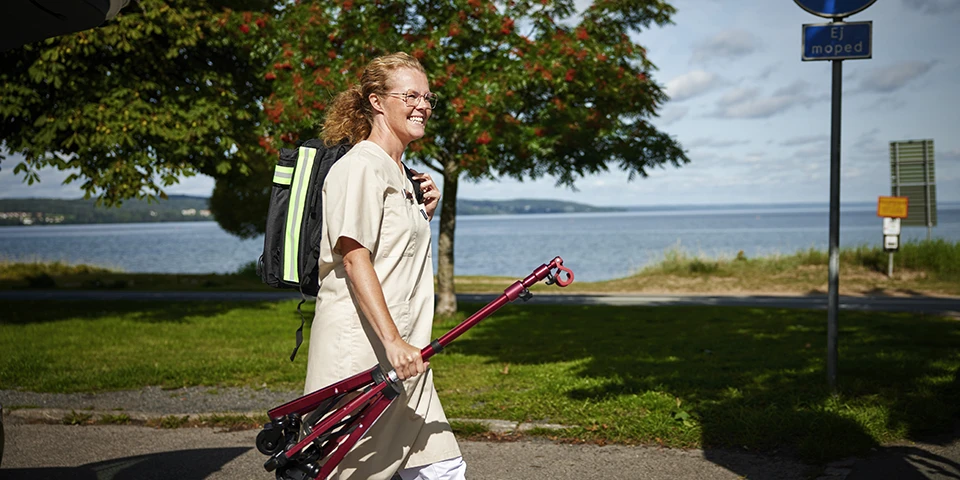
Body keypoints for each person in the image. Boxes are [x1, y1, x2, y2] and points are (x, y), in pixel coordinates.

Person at [303, 52, 465, 480]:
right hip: (363, 352)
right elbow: (356, 260)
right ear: (377, 101)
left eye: (428, 96)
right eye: (410, 95)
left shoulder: (403, 174)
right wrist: (392, 341)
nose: (423, 105)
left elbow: (396, 255)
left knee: (444, 469)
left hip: (408, 357)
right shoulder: (358, 168)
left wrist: (424, 211)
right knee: (347, 473)